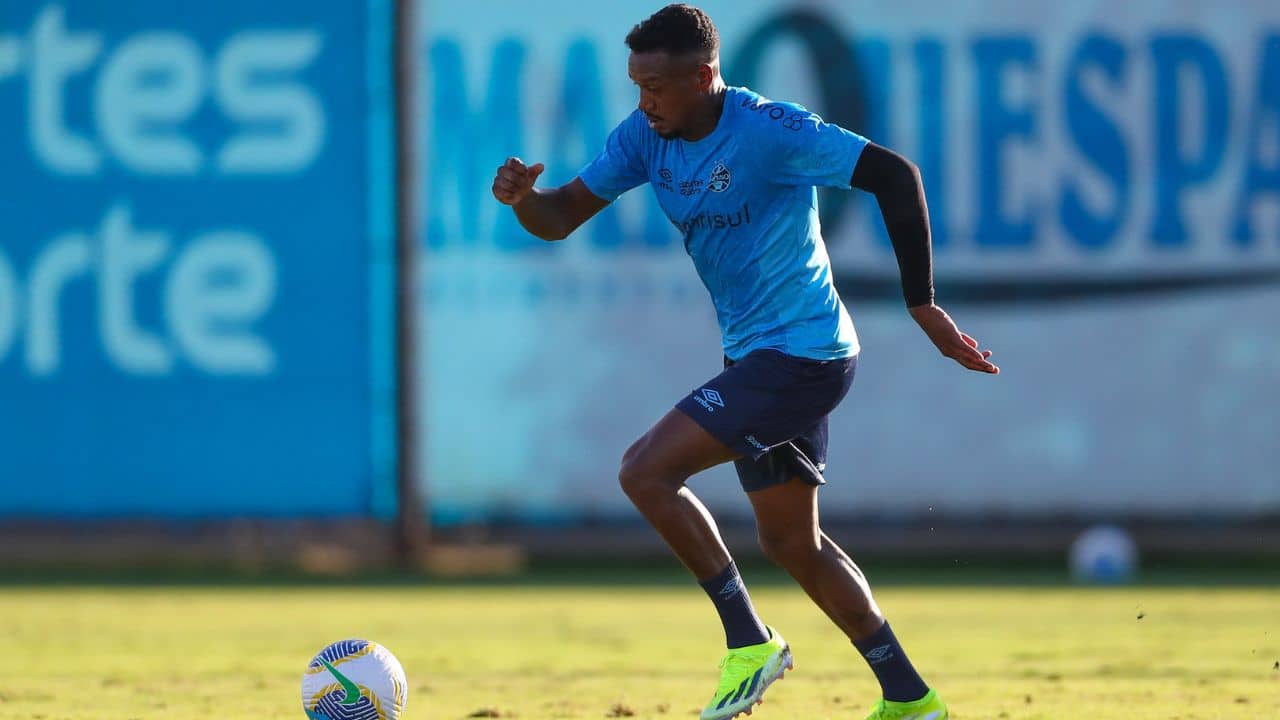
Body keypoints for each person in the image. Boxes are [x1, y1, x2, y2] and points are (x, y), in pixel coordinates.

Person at [491, 5, 997, 719]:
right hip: (760, 354)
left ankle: (749, 640)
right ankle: (910, 698)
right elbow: (560, 215)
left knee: (645, 470)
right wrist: (523, 201)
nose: (645, 101)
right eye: (637, 85)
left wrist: (923, 306)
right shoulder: (646, 136)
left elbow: (894, 174)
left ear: (704, 76)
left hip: (803, 353)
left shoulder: (768, 129)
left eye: (659, 86)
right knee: (792, 542)